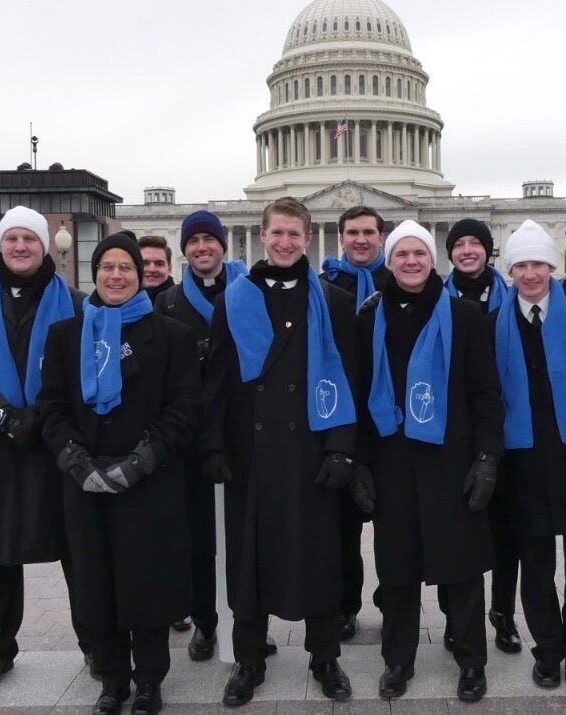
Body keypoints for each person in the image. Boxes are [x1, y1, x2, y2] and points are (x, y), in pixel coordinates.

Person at [202, 197, 358, 706]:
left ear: (308, 239)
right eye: (278, 233)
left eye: (296, 234)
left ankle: (325, 657)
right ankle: (249, 660)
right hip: (253, 453)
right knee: (251, 563)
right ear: (262, 235)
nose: (286, 242)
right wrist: (215, 446)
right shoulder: (233, 300)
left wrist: (341, 447)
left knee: (320, 558)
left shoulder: (333, 301)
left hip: (312, 449)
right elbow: (218, 382)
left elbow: (348, 378)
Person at [38, 231, 201, 715]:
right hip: (85, 483)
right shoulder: (65, 336)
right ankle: (112, 679)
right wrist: (76, 461)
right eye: (107, 267)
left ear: (140, 275)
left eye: (125, 268)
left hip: (147, 481)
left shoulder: (172, 335)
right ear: (94, 275)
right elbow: (52, 406)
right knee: (96, 582)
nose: (116, 276)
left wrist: (140, 461)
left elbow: (184, 409)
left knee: (145, 582)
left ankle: (149, 679)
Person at [355, 220, 504, 703]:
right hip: (391, 459)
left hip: (451, 457)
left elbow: (485, 393)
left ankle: (471, 660)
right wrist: (357, 461)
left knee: (460, 569)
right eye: (402, 255)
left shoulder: (463, 317)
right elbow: (359, 396)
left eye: (420, 253)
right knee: (396, 571)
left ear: (432, 260)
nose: (412, 262)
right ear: (389, 260)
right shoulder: (370, 317)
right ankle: (398, 659)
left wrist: (487, 458)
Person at [0, 206, 89, 693]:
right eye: (12, 240)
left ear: (45, 246)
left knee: (80, 552)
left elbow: (83, 375)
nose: (21, 247)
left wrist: (46, 418)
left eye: (29, 239)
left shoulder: (74, 304)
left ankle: (95, 644)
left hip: (58, 446)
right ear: (2, 247)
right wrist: (4, 415)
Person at [491, 221, 566, 689]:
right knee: (535, 563)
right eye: (520, 265)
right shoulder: (494, 323)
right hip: (523, 461)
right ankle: (548, 650)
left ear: (552, 267)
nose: (530, 274)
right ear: (511, 271)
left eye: (538, 263)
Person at [154, 209, 249, 658]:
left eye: (210, 240)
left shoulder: (249, 294)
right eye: (194, 242)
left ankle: (249, 620)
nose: (202, 248)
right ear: (184, 249)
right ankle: (206, 623)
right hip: (191, 437)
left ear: (223, 246)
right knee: (199, 539)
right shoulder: (168, 302)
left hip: (242, 431)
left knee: (247, 534)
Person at [439, 217, 518, 653]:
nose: (468, 250)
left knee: (508, 534)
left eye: (476, 243)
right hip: (455, 433)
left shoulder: (516, 295)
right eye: (460, 244)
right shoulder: (435, 300)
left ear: (489, 250)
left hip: (508, 427)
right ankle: (456, 618)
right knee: (452, 532)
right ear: (449, 252)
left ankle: (502, 613)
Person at [319, 205, 390, 641]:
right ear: (340, 237)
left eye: (368, 232)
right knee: (341, 528)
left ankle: (392, 602)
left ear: (382, 237)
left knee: (393, 526)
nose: (361, 239)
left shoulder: (403, 279)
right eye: (352, 232)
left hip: (389, 424)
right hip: (343, 419)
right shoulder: (324, 288)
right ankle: (345, 604)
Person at [138, 235, 175, 301]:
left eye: (159, 264)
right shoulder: (121, 301)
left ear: (169, 269)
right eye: (144, 263)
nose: (152, 269)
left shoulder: (184, 301)